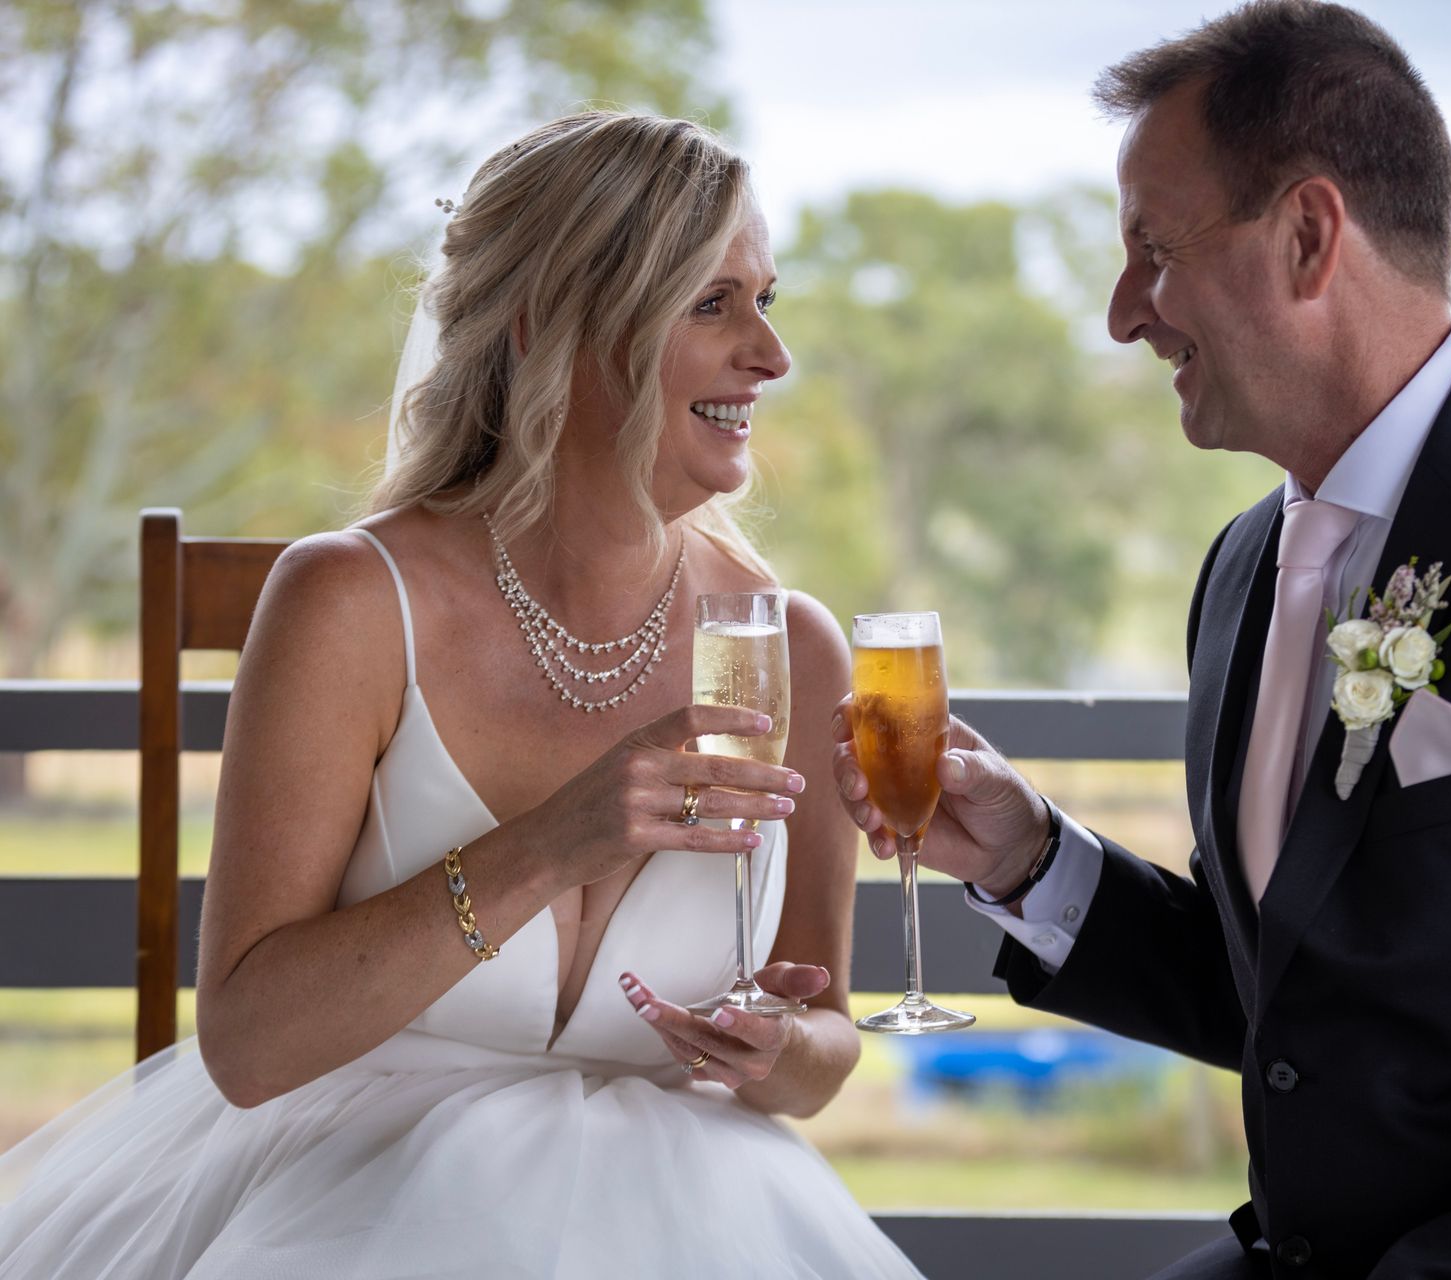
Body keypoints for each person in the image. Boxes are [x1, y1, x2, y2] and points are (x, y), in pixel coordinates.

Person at [831, 4, 1451, 1277]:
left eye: (1152, 248)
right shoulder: (1244, 567)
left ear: (1310, 235)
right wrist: (1033, 859)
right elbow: (1300, 1000)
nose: (1122, 312)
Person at [0, 111, 921, 1279]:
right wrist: (550, 841)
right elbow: (245, 1043)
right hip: (351, 1201)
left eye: (766, 298)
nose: (770, 356)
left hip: (696, 1214)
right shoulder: (348, 599)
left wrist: (775, 1045)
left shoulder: (792, 643)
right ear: (554, 327)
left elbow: (825, 1047)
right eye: (712, 303)